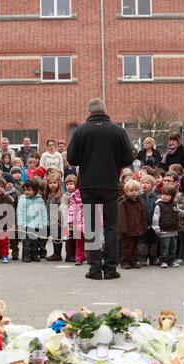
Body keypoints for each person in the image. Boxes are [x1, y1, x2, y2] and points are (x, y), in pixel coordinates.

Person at [67, 97, 133, 280]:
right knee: (110, 227)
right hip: (110, 184)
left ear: (89, 112)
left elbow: (72, 159)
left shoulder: (80, 131)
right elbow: (128, 158)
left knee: (91, 227)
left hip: (88, 184)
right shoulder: (117, 131)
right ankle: (111, 269)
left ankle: (95, 269)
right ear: (105, 110)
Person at [118, 180, 147, 269]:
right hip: (127, 230)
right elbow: (121, 217)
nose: (134, 192)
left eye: (136, 190)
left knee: (135, 247)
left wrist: (143, 227)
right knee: (127, 247)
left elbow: (142, 215)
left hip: (137, 229)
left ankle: (134, 261)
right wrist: (123, 229)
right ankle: (125, 261)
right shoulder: (123, 202)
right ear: (126, 191)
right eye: (131, 191)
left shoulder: (140, 202)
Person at [17, 179, 48, 263]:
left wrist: (45, 224)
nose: (26, 192)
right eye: (25, 190)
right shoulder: (22, 200)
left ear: (35, 190)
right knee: (27, 242)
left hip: (37, 225)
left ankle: (34, 255)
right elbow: (20, 213)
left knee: (35, 241)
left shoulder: (40, 200)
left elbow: (43, 212)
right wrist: (20, 225)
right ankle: (25, 256)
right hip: (27, 224)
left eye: (29, 190)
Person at [152, 185, 181, 268]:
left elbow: (180, 212)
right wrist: (156, 228)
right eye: (163, 194)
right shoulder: (159, 206)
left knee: (173, 248)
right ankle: (163, 261)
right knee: (164, 248)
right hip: (164, 231)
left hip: (173, 231)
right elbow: (155, 218)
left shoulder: (175, 205)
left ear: (172, 196)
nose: (164, 196)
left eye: (167, 195)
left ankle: (171, 261)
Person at [139, 175, 158, 266]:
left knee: (153, 241)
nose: (144, 184)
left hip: (153, 223)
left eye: (147, 183)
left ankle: (153, 258)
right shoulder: (139, 197)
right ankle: (143, 258)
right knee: (143, 241)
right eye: (143, 183)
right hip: (143, 223)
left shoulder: (155, 197)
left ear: (152, 186)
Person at [45, 173, 63, 261]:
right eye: (50, 183)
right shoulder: (49, 195)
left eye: (55, 183)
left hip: (57, 221)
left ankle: (58, 254)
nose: (52, 185)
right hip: (51, 220)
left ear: (59, 183)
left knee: (57, 237)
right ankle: (55, 253)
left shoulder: (59, 196)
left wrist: (58, 220)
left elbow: (60, 209)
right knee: (54, 237)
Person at [3, 172, 20, 260]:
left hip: (12, 218)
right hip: (1, 219)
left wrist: (16, 221)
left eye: (11, 182)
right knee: (1, 237)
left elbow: (18, 207)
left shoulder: (16, 193)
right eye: (7, 182)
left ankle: (15, 251)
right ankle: (0, 252)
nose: (10, 184)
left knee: (13, 237)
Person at [61, 174, 78, 262]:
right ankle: (69, 255)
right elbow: (63, 208)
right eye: (67, 184)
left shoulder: (78, 195)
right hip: (67, 221)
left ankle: (76, 254)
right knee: (69, 239)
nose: (69, 186)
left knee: (76, 238)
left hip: (76, 220)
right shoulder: (66, 196)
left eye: (71, 184)